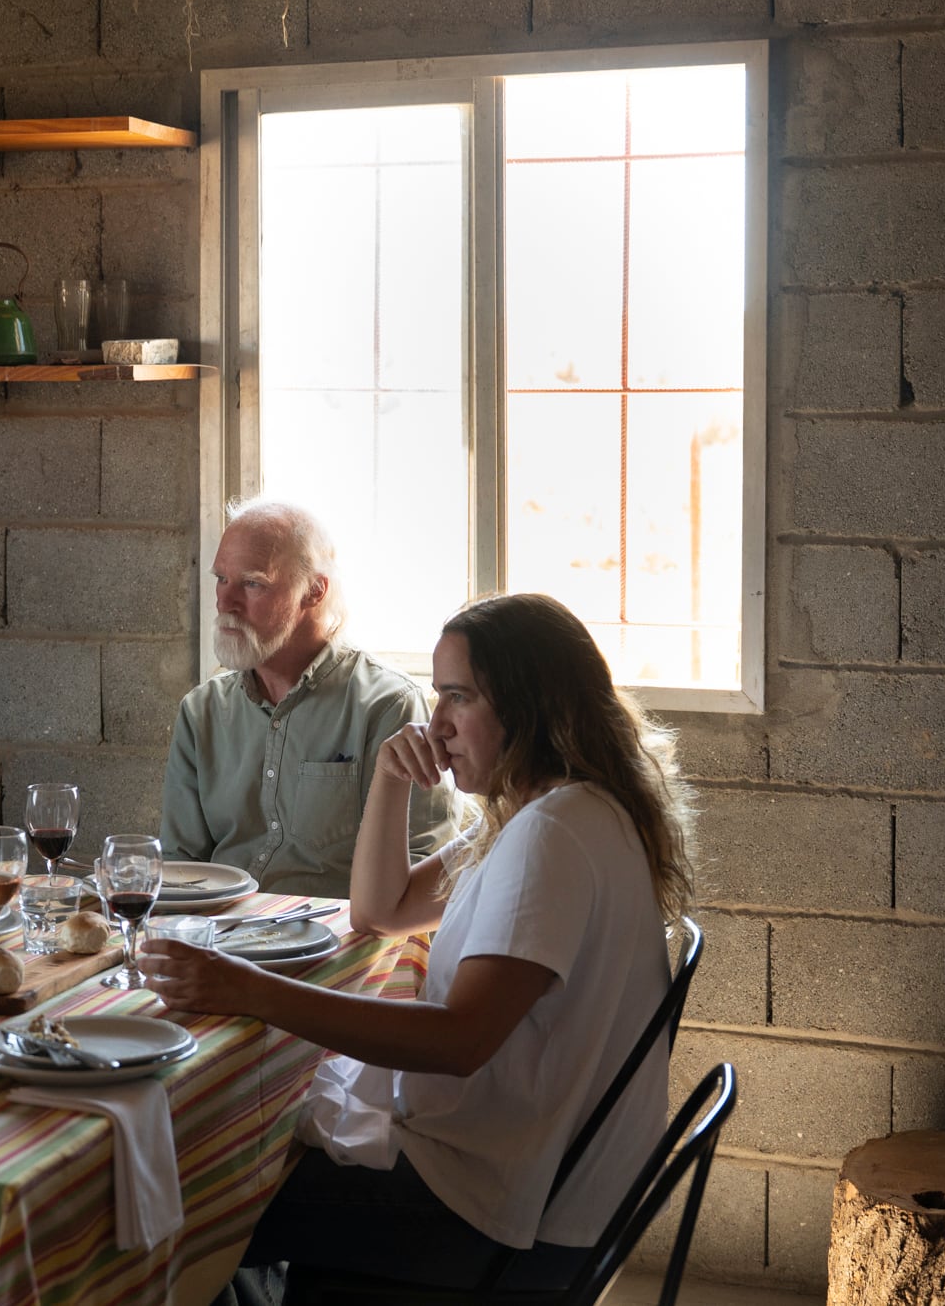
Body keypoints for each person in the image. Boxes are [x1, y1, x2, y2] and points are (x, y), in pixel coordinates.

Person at [141, 593, 695, 1297]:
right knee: (250, 1157)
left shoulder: (551, 834)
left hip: (508, 1212)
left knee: (200, 1189)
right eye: (437, 696)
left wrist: (244, 988)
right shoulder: (550, 805)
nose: (436, 724)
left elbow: (457, 1040)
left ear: (530, 705)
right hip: (534, 1175)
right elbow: (382, 912)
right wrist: (390, 776)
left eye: (458, 698)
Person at [160, 499, 454, 898]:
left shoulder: (387, 705)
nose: (225, 603)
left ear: (315, 591)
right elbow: (180, 868)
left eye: (252, 583)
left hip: (339, 942)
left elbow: (424, 865)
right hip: (220, 936)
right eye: (221, 579)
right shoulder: (202, 711)